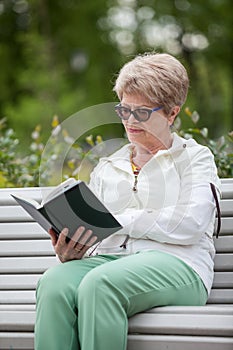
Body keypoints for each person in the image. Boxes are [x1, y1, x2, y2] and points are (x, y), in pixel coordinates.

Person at [34, 52, 221, 350]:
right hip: (110, 264)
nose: (130, 121)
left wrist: (120, 219)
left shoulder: (194, 158)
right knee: (55, 283)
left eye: (143, 112)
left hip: (179, 267)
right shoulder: (109, 165)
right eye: (124, 110)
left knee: (101, 285)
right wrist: (75, 251)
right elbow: (101, 241)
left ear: (172, 114)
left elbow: (192, 222)